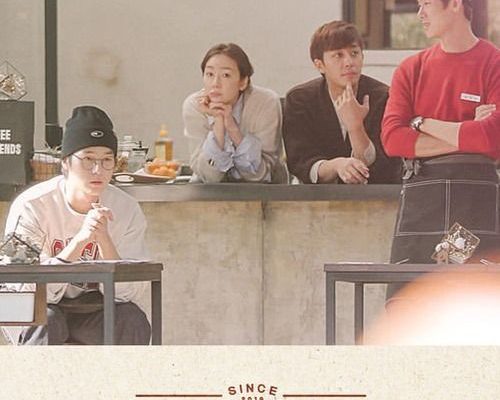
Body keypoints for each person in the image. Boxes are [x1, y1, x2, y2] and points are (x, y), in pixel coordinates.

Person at [381, 0, 500, 300]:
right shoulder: (411, 69)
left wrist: (421, 123)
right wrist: (467, 132)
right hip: (422, 201)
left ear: (455, 4)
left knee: (463, 303)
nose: (419, 13)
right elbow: (393, 138)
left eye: (427, 4)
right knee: (408, 303)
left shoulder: (494, 62)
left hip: (472, 203)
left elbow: (492, 137)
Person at [2, 106, 151, 345]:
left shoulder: (126, 208)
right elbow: (24, 288)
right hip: (34, 306)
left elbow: (128, 293)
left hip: (91, 309)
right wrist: (79, 242)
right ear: (65, 163)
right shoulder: (32, 205)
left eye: (107, 160)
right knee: (46, 321)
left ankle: (123, 373)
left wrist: (104, 240)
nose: (98, 170)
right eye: (88, 159)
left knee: (132, 320)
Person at [283, 20, 401, 184]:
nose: (349, 62)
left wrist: (355, 127)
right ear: (320, 65)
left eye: (354, 53)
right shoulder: (300, 99)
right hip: (317, 194)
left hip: (374, 192)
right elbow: (300, 161)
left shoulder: (383, 97)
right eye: (338, 55)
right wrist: (337, 165)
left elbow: (385, 165)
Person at [183, 43, 288, 183]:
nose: (215, 83)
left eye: (225, 75)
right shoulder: (195, 105)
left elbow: (260, 175)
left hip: (266, 191)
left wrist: (232, 127)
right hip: (207, 191)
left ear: (243, 82)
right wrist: (218, 124)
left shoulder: (265, 103)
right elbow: (209, 177)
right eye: (209, 74)